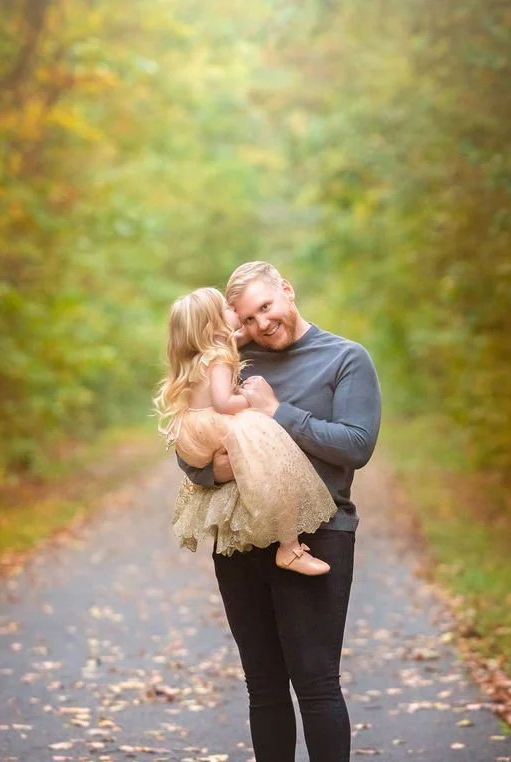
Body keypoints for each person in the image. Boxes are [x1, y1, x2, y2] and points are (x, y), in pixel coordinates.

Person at [177, 262, 382, 762]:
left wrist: (276, 413)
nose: (260, 324)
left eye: (266, 308)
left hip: (317, 534)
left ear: (286, 291)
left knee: (315, 684)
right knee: (263, 686)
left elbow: (356, 446)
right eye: (246, 319)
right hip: (241, 539)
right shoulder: (231, 359)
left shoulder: (345, 359)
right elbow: (191, 450)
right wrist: (217, 473)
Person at [154, 286, 338, 575]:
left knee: (249, 467)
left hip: (193, 432)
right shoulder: (220, 357)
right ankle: (289, 547)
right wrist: (251, 400)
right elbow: (224, 402)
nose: (235, 312)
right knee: (274, 459)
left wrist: (243, 334)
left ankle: (253, 529)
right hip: (217, 424)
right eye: (227, 309)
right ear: (213, 322)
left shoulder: (202, 353)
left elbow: (232, 341)